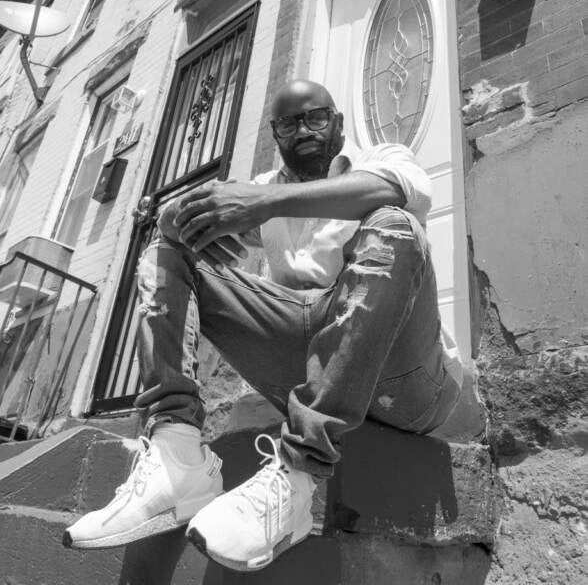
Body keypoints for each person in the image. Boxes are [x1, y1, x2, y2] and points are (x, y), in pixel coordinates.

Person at [64, 79, 462, 571]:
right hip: (313, 364)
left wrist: (265, 204)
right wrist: (179, 225)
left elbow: (397, 189)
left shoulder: (380, 158)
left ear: (337, 122)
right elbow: (179, 218)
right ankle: (177, 455)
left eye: (316, 117)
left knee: (390, 224)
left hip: (409, 384)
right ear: (275, 133)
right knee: (167, 254)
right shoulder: (262, 187)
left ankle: (298, 475)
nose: (304, 130)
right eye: (289, 123)